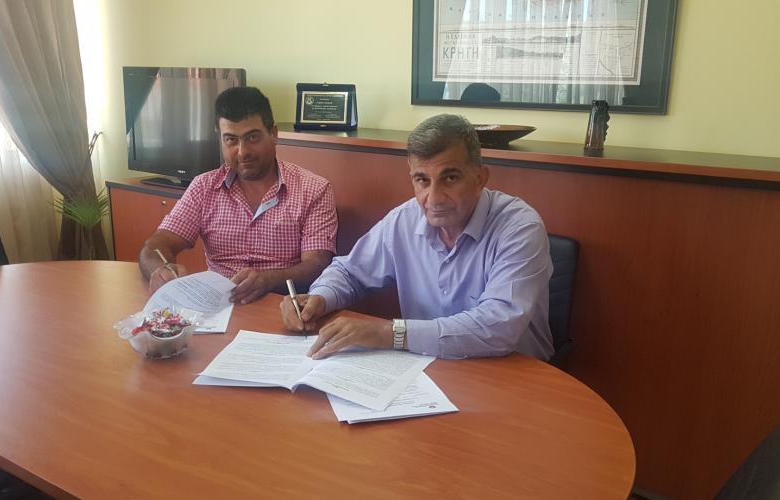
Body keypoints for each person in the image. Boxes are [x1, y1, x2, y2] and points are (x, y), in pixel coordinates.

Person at [280, 114, 553, 360]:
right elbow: (349, 272)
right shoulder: (405, 219)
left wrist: (388, 333)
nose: (433, 199)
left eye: (450, 178)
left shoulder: (519, 227)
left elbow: (499, 326)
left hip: (512, 372)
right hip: (425, 367)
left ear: (480, 178)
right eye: (422, 180)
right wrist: (320, 298)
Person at [139, 86, 338, 304]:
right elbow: (155, 246)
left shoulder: (313, 189)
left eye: (252, 137)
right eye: (231, 140)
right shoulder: (204, 187)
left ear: (273, 134)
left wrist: (269, 279)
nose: (242, 152)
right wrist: (161, 270)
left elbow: (317, 265)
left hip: (281, 306)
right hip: (216, 307)